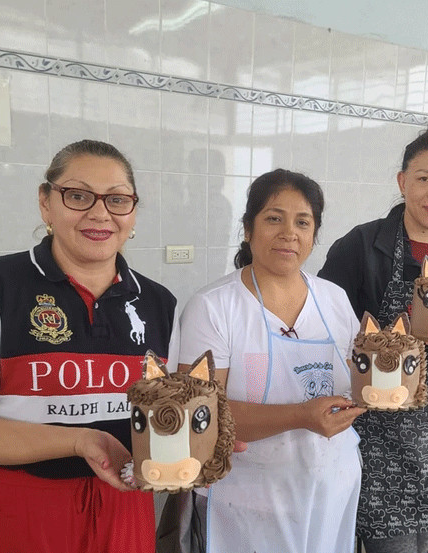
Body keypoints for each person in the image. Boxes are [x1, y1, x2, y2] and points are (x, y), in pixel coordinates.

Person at [0, 140, 179, 553]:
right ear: (46, 203)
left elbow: (164, 419)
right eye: (78, 196)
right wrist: (79, 441)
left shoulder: (159, 304)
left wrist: (205, 439)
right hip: (9, 515)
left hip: (122, 515)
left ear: (133, 212)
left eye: (117, 200)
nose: (100, 213)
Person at [167, 169, 366, 553]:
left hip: (331, 487)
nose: (289, 233)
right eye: (274, 218)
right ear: (248, 229)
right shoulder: (214, 307)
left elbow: (358, 380)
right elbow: (197, 419)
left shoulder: (334, 299)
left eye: (302, 222)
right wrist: (301, 416)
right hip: (245, 498)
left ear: (314, 234)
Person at [319, 117, 428, 553]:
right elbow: (321, 336)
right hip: (375, 435)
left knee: (426, 541)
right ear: (402, 182)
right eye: (424, 178)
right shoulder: (359, 247)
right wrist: (384, 341)